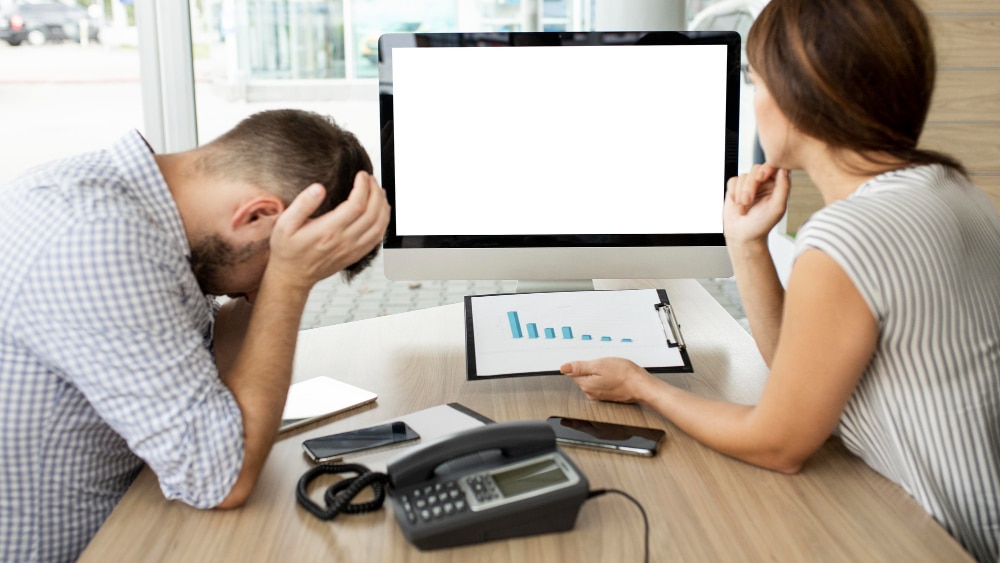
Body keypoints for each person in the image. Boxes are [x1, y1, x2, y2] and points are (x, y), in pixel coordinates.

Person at [559, 1, 999, 561]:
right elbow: (794, 370)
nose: (754, 99)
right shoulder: (949, 189)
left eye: (757, 80)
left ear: (800, 93)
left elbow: (778, 444)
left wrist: (642, 387)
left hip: (949, 541)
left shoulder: (851, 234)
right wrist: (747, 243)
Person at [0, 109, 390, 562]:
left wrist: (283, 269)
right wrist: (288, 281)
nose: (254, 294)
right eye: (264, 277)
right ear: (258, 214)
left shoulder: (146, 211)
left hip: (131, 513)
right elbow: (222, 479)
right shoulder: (101, 242)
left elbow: (217, 376)